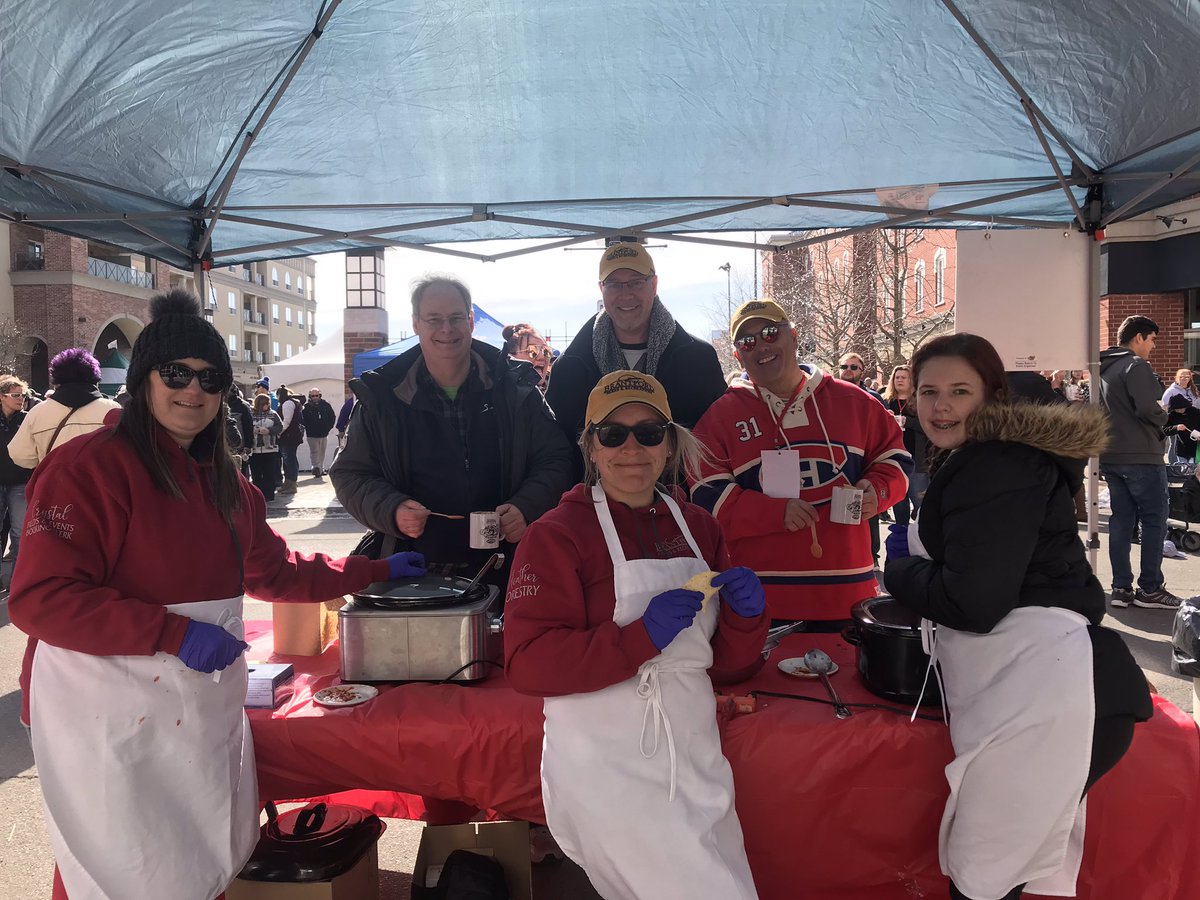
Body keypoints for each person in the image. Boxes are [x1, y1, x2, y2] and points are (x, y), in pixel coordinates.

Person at [7, 288, 426, 900]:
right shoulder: (86, 468)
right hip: (105, 708)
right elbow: (40, 600)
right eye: (176, 373)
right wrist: (172, 632)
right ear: (144, 379)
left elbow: (278, 574)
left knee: (196, 859)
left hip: (195, 705)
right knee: (111, 865)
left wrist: (376, 573)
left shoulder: (229, 485)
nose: (194, 390)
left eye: (211, 379)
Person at [883, 333, 1151, 900]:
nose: (941, 406)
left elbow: (973, 603)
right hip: (1050, 684)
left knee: (986, 872)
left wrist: (900, 572)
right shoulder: (983, 455)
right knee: (1008, 868)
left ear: (993, 397)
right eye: (928, 391)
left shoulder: (995, 463)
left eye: (960, 391)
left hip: (1056, 692)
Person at [505, 370, 767, 900]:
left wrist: (745, 620)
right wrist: (640, 636)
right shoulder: (555, 534)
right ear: (591, 446)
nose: (632, 448)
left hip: (695, 756)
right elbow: (530, 664)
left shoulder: (698, 527)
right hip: (606, 765)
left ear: (669, 444)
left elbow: (725, 669)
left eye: (649, 433)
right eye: (612, 433)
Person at [331, 275, 573, 589]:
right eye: (434, 319)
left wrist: (527, 507)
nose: (447, 329)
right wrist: (391, 509)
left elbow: (556, 458)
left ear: (471, 321)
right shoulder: (383, 396)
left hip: (509, 566)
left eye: (456, 317)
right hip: (413, 568)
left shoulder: (515, 387)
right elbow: (350, 473)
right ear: (416, 324)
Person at [692, 300, 911, 623]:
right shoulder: (719, 419)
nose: (761, 346)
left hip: (849, 597)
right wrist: (773, 513)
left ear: (793, 337)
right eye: (747, 341)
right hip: (758, 603)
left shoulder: (856, 403)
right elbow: (705, 499)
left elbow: (897, 461)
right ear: (738, 355)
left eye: (770, 333)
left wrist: (876, 491)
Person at [545, 242, 727, 478]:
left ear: (654, 284)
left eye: (635, 281)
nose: (626, 293)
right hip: (594, 507)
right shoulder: (570, 367)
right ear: (601, 288)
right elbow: (557, 452)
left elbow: (717, 444)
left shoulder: (699, 361)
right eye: (614, 284)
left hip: (678, 506)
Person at [1099, 315, 1180, 609]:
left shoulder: (1103, 368)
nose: (1154, 346)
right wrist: (1163, 416)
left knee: (1121, 521)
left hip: (1111, 454)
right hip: (1142, 456)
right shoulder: (1136, 365)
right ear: (1138, 338)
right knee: (1154, 520)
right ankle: (1150, 588)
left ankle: (1121, 588)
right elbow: (1151, 408)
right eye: (1153, 339)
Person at [8, 348, 122, 468]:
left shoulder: (38, 412)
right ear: (94, 375)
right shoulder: (111, 409)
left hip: (55, 483)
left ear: (57, 377)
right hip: (101, 483)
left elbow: (20, 455)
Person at [882, 364, 930, 524]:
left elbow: (928, 427)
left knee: (920, 505)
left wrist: (907, 421)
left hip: (917, 458)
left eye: (904, 377)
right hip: (895, 459)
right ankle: (901, 537)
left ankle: (921, 539)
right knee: (899, 504)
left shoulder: (920, 401)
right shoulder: (886, 401)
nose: (900, 380)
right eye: (897, 377)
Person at [0, 375, 30, 587]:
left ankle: (16, 580)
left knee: (20, 531)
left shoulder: (28, 419)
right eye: (15, 395)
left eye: (23, 395)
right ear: (2, 397)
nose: (21, 399)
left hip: (20, 481)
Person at [249, 392, 284, 500]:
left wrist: (269, 430)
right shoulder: (251, 414)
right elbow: (247, 426)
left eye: (268, 403)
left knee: (269, 473)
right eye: (265, 403)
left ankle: (269, 495)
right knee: (256, 474)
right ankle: (258, 495)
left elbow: (280, 427)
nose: (267, 405)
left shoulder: (273, 414)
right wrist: (254, 430)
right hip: (255, 450)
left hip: (270, 449)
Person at [502, 322, 553, 389]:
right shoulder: (499, 394)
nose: (542, 357)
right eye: (532, 350)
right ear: (512, 357)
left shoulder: (560, 391)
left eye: (546, 351)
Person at [275, 385, 304, 494]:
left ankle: (292, 483)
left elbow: (286, 422)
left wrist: (279, 432)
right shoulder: (290, 403)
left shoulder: (287, 404)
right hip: (290, 436)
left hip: (289, 436)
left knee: (289, 459)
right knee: (288, 459)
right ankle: (288, 482)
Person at [302, 387, 336, 477]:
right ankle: (316, 467)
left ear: (320, 395)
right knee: (314, 452)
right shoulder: (306, 407)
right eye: (313, 396)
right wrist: (308, 427)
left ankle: (320, 468)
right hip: (312, 434)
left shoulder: (325, 405)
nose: (315, 397)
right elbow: (302, 420)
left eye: (316, 395)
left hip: (324, 433)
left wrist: (328, 428)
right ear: (310, 396)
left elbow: (332, 417)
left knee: (322, 452)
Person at [1164, 393, 1200, 463]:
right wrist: (1176, 428)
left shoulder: (1195, 412)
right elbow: (1164, 430)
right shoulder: (1172, 416)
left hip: (1196, 448)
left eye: (1182, 408)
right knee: (1183, 470)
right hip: (1182, 449)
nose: (1180, 410)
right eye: (1177, 409)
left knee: (1195, 470)